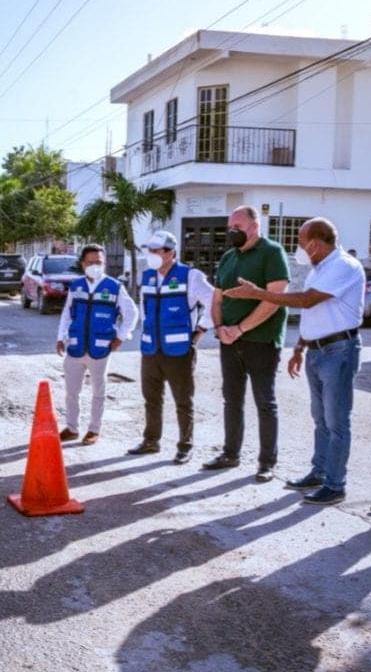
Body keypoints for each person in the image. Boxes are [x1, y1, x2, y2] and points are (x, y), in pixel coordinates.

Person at [224, 218, 365, 505]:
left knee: (337, 421)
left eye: (301, 241)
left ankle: (335, 484)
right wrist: (300, 346)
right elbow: (314, 313)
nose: (299, 246)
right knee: (321, 418)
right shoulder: (320, 269)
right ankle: (320, 471)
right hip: (318, 350)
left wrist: (258, 293)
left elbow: (307, 301)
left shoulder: (343, 265)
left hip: (339, 350)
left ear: (317, 241)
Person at [203, 205, 290, 481]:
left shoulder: (272, 252)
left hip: (261, 341)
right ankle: (230, 453)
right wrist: (219, 328)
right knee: (232, 400)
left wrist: (240, 328)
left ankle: (267, 463)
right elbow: (217, 298)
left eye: (237, 227)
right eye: (230, 227)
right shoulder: (228, 257)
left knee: (265, 402)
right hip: (228, 340)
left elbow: (274, 299)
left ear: (255, 226)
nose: (232, 232)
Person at [126, 230, 214, 464]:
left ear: (170, 253)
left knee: (183, 401)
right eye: (150, 250)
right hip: (151, 349)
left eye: (156, 250)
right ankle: (151, 440)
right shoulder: (147, 276)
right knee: (151, 399)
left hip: (179, 351)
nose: (151, 254)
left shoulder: (190, 276)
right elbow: (144, 309)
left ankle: (185, 445)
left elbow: (215, 302)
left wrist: (201, 330)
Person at [56, 244, 137, 446]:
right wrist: (60, 337)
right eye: (91, 262)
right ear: (83, 264)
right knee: (72, 391)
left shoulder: (114, 287)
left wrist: (120, 336)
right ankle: (72, 428)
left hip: (100, 348)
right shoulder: (76, 286)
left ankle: (94, 429)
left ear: (105, 263)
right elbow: (67, 313)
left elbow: (132, 313)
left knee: (98, 391)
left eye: (99, 262)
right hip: (75, 346)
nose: (95, 266)